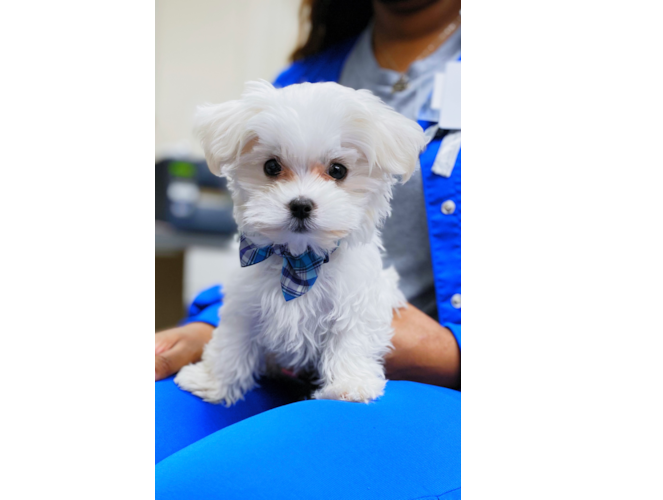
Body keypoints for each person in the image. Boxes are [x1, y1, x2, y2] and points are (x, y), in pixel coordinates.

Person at [156, 1, 462, 497]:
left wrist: (458, 351)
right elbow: (246, 299)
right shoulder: (305, 73)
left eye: (335, 172)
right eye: (276, 169)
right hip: (274, 370)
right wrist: (207, 326)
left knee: (196, 485)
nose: (302, 195)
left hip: (449, 386)